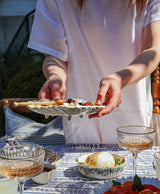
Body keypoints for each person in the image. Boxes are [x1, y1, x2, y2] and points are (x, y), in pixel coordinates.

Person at [28, 0, 160, 144]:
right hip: (81, 123)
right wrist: (55, 76)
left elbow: (153, 50)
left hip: (134, 119)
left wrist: (120, 78)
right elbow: (55, 56)